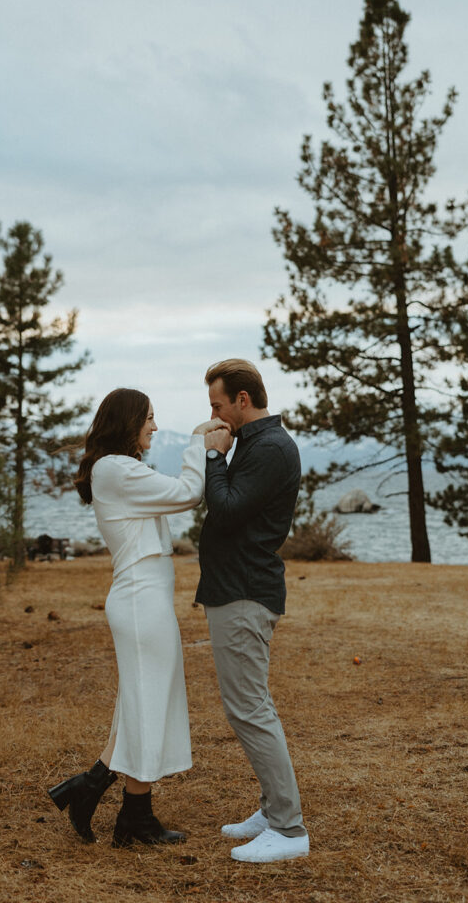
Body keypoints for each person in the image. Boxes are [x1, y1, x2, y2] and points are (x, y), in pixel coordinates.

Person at [48, 387, 225, 848]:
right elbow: (188, 493)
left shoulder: (122, 469)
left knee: (143, 703)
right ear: (128, 422)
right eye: (148, 417)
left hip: (146, 597)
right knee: (146, 704)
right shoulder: (115, 469)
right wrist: (198, 444)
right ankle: (117, 806)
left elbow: (173, 496)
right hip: (138, 599)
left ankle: (103, 797)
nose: (154, 425)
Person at [196, 359, 310, 863]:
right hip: (234, 588)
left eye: (218, 404)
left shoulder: (269, 448)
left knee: (250, 709)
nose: (214, 415)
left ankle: (288, 831)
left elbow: (224, 508)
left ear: (243, 400)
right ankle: (271, 810)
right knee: (250, 705)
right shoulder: (257, 443)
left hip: (244, 592)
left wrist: (214, 458)